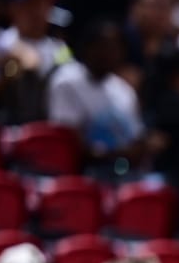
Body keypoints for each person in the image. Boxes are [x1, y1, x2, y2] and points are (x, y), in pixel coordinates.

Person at [48, 20, 144, 164]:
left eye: (114, 48)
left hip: (121, 172)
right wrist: (116, 155)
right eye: (102, 46)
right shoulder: (67, 80)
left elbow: (136, 140)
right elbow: (68, 141)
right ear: (87, 47)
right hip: (79, 171)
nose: (108, 54)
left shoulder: (124, 91)